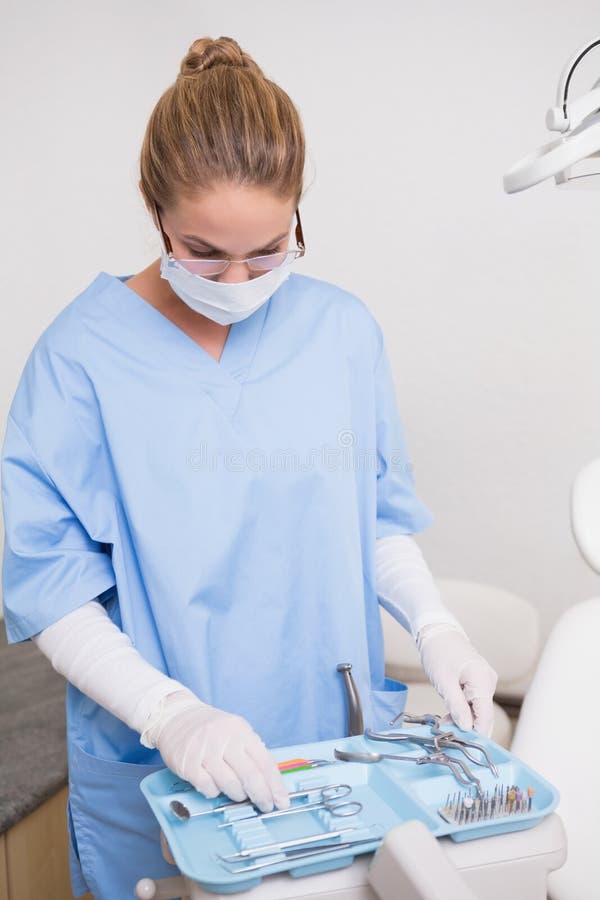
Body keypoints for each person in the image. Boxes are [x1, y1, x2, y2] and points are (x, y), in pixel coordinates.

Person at [0, 36, 497, 899]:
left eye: (269, 251)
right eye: (202, 251)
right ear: (155, 213)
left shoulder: (341, 334)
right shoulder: (78, 362)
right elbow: (50, 590)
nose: (237, 279)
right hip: (160, 777)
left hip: (330, 755)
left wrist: (434, 624)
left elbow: (372, 516)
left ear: (299, 212)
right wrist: (172, 715)